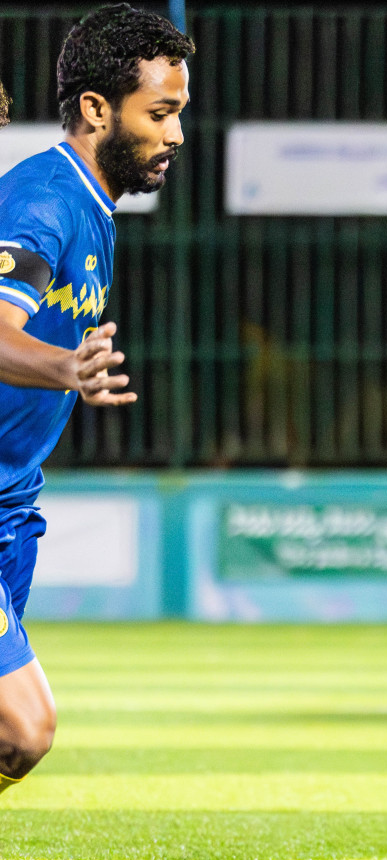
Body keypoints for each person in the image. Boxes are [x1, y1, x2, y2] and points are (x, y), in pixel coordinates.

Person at [0, 4, 192, 797]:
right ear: (94, 109)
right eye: (162, 113)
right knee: (25, 726)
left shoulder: (92, 206)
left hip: (13, 507)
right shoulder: (42, 203)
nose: (176, 136)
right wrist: (66, 369)